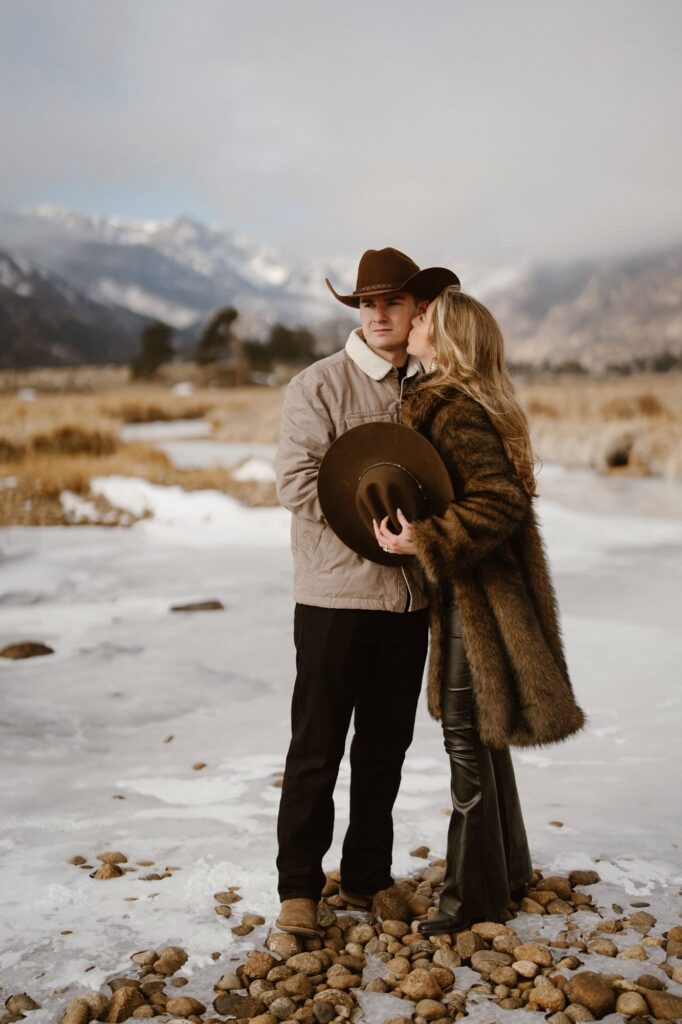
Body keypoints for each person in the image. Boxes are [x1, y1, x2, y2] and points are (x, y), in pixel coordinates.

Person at [374, 288, 585, 933]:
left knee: (466, 739)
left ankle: (471, 902)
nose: (413, 323)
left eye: (426, 317)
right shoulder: (455, 400)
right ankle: (509, 871)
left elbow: (499, 502)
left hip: (479, 602)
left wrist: (425, 540)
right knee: (485, 738)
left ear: (448, 337)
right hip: (475, 597)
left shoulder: (454, 409)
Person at [274, 247, 459, 936]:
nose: (380, 313)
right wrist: (379, 522)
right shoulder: (317, 387)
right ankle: (298, 888)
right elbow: (295, 483)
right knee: (316, 746)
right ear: (357, 310)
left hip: (410, 603)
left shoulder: (433, 389)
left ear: (417, 309)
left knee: (386, 746)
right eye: (368, 303)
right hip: (333, 601)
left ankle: (367, 876)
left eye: (394, 301)